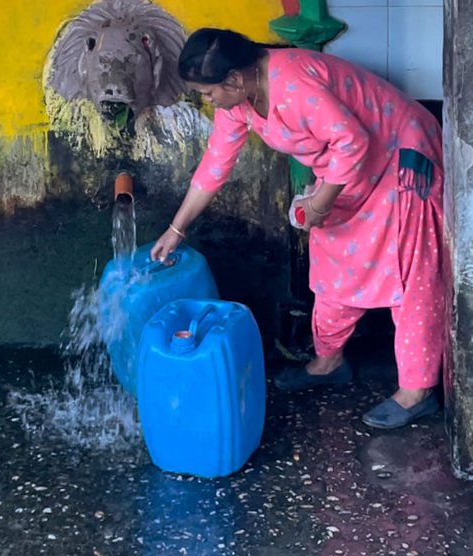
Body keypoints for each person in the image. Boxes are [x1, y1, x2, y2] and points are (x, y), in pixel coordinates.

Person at [149, 28, 446, 429]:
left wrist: (321, 202)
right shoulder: (239, 103)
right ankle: (329, 361)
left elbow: (352, 141)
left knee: (410, 271)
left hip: (399, 154)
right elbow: (215, 165)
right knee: (332, 260)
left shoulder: (292, 83)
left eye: (208, 93)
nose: (208, 102)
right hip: (348, 172)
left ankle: (417, 390)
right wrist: (176, 229)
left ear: (234, 80)